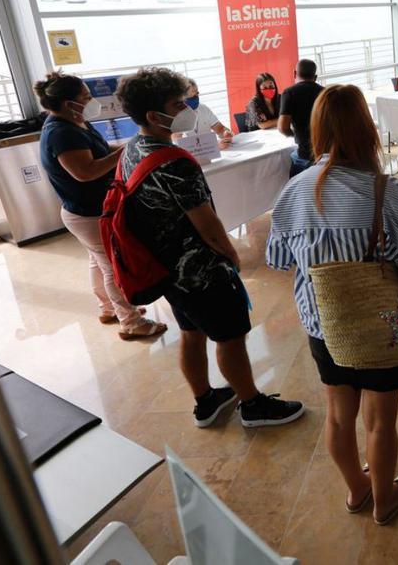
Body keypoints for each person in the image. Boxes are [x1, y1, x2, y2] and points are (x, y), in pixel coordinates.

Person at [266, 84, 398, 526]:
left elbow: (278, 259)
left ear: (317, 129)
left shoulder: (294, 192)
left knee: (340, 419)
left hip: (324, 326)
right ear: (367, 129)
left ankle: (356, 490)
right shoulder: (384, 190)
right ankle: (385, 500)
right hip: (381, 326)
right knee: (380, 423)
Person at [115, 67, 305, 429]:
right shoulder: (173, 161)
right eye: (177, 103)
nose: (186, 107)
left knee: (190, 331)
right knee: (231, 337)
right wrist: (230, 256)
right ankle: (252, 404)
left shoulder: (132, 150)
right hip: (200, 271)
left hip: (166, 268)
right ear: (156, 115)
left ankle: (206, 401)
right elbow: (207, 223)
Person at [34, 72, 167, 340]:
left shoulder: (76, 121)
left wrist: (133, 144)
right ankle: (131, 322)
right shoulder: (62, 133)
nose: (91, 100)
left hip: (88, 210)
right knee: (113, 265)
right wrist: (124, 152)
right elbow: (85, 172)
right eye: (85, 97)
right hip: (87, 213)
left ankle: (108, 308)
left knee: (98, 261)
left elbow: (102, 151)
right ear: (67, 103)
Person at [279, 59, 324, 176]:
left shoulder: (289, 93)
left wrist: (295, 134)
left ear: (294, 73)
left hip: (305, 154)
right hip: (324, 153)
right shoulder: (325, 92)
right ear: (315, 77)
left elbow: (282, 128)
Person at [178, 79, 233, 150]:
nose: (196, 97)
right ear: (182, 98)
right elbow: (180, 144)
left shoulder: (203, 108)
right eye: (192, 96)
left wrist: (226, 133)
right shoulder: (175, 115)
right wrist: (214, 146)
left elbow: (219, 128)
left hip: (212, 155)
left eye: (197, 94)